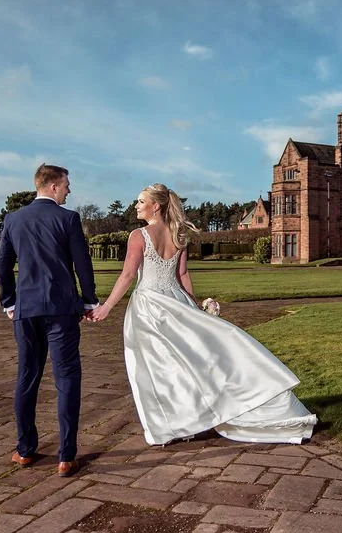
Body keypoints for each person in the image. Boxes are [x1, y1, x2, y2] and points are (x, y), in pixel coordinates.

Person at [93, 183, 316, 445]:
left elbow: (129, 275)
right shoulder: (179, 235)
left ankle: (172, 426)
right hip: (176, 302)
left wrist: (106, 306)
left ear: (156, 206)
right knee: (189, 364)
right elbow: (182, 275)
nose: (136, 206)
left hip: (149, 307)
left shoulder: (138, 235)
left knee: (157, 368)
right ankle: (188, 421)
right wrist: (195, 308)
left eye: (141, 201)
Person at [0, 164, 99, 477]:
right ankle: (66, 456)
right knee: (66, 378)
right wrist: (89, 299)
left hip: (26, 310)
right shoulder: (68, 218)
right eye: (67, 184)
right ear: (53, 186)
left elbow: (2, 265)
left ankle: (25, 450)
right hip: (61, 310)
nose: (69, 189)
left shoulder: (13, 219)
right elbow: (82, 264)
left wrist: (9, 303)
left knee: (27, 376)